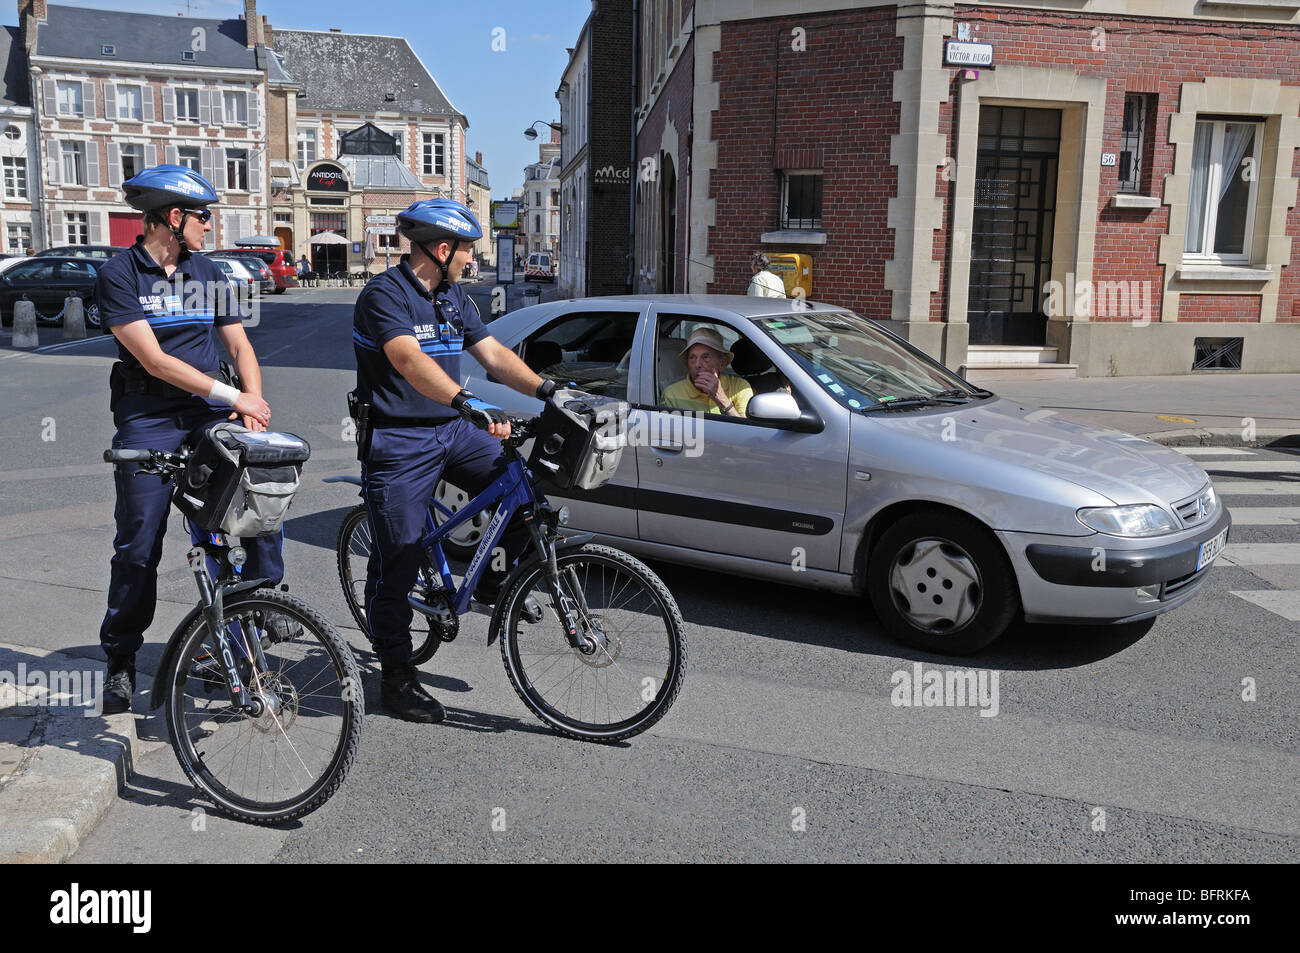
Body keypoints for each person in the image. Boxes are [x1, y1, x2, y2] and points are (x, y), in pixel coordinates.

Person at [353, 198, 555, 724]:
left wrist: (549, 390)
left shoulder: (453, 297)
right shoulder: (384, 295)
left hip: (449, 431)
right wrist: (466, 401)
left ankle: (492, 578)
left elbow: (492, 355)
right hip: (399, 441)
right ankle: (396, 677)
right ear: (442, 249)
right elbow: (407, 359)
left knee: (520, 485)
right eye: (468, 250)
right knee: (395, 561)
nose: (472, 258)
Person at [97, 164, 281, 715]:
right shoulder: (120, 274)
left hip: (206, 412)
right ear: (173, 218)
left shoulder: (211, 271)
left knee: (253, 503)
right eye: (203, 217)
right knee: (138, 543)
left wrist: (254, 404)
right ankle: (122, 658)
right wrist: (233, 399)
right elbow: (153, 360)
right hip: (148, 416)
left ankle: (263, 606)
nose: (210, 226)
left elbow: (239, 348)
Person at [661, 328, 753, 417]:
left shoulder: (740, 387)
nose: (697, 364)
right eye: (692, 357)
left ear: (722, 363)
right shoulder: (672, 394)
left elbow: (747, 431)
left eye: (705, 357)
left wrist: (722, 400)